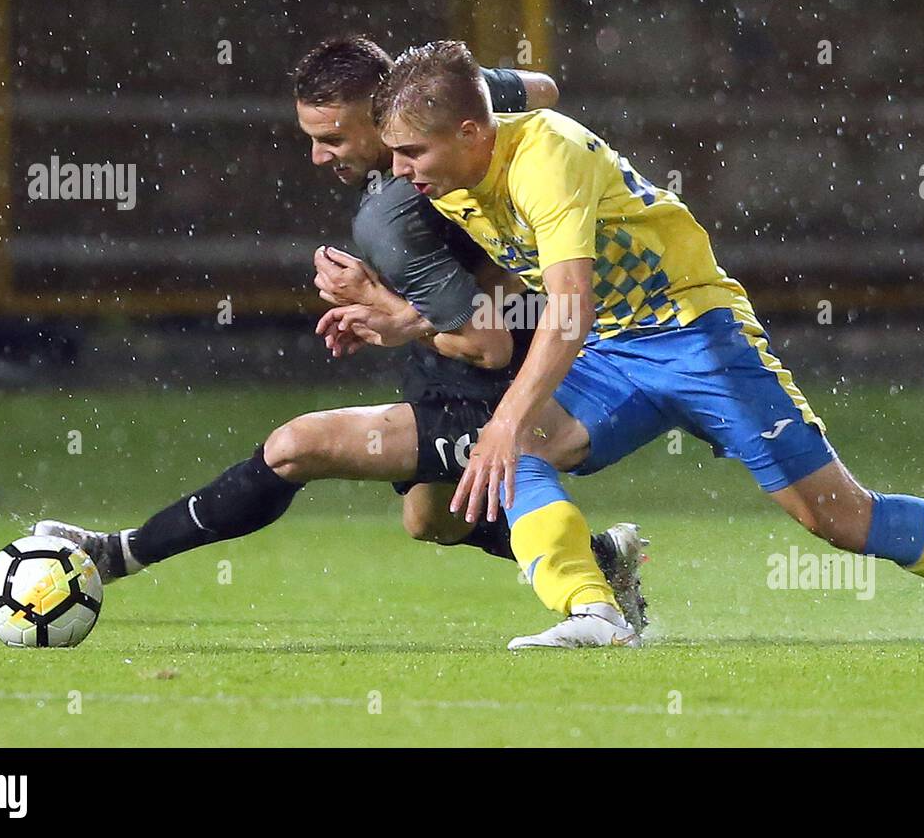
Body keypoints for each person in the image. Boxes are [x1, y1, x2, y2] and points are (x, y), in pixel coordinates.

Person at [347, 38, 924, 649]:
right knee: (519, 450)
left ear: (469, 129)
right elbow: (528, 286)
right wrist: (411, 322)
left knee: (839, 520)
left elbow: (567, 312)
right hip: (617, 352)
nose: (400, 171)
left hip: (697, 333)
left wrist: (507, 416)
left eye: (412, 153)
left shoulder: (545, 155)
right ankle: (594, 612)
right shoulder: (452, 178)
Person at [35, 37, 648, 635]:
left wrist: (393, 313)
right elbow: (544, 88)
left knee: (297, 446)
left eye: (332, 138)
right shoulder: (454, 105)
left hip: (496, 369)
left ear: (383, 119)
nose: (319, 157)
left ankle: (115, 553)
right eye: (311, 138)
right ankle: (601, 559)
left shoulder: (390, 217)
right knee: (430, 519)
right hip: (487, 342)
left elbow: (486, 344)